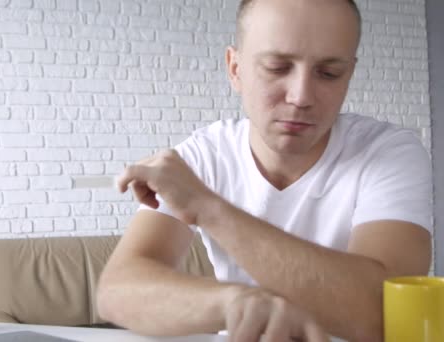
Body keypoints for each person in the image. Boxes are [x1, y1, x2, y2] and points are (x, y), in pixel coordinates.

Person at [96, 0, 433, 341]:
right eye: (276, 67)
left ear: (349, 74)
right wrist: (236, 303)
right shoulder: (204, 156)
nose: (301, 96)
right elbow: (117, 290)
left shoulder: (389, 152)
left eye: (329, 73)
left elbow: (385, 313)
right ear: (235, 68)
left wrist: (208, 208)